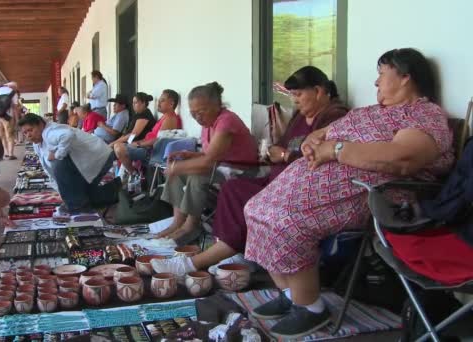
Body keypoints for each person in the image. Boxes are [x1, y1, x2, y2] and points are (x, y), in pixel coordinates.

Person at [242, 49, 454, 338]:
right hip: (322, 185)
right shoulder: (374, 112)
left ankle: (311, 307)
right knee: (254, 209)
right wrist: (313, 142)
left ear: (406, 77)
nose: (376, 83)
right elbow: (323, 134)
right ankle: (291, 294)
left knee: (285, 219)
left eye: (382, 74)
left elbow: (404, 158)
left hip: (373, 195)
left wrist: (336, 150)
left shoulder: (422, 114)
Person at [152, 66, 349, 277]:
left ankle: (195, 261)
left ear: (319, 92)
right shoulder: (300, 117)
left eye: (299, 94)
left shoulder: (334, 118)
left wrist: (284, 156)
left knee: (228, 188)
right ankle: (236, 248)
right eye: (292, 95)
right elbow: (279, 145)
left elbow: (321, 157)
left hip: (294, 185)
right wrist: (275, 152)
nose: (295, 101)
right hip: (277, 177)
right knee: (233, 190)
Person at [156, 82, 258, 244]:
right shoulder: (208, 124)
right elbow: (210, 153)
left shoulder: (226, 121)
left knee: (197, 176)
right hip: (223, 167)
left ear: (217, 105)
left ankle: (191, 226)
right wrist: (188, 154)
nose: (198, 117)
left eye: (201, 112)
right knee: (178, 174)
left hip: (243, 171)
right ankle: (177, 222)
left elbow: (209, 161)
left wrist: (177, 167)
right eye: (193, 113)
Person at [18, 113, 119, 213]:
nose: (29, 136)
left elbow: (67, 135)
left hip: (99, 157)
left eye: (30, 130)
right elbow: (49, 170)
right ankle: (116, 190)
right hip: (89, 161)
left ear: (40, 124)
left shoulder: (49, 132)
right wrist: (64, 193)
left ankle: (77, 206)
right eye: (25, 133)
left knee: (58, 163)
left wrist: (57, 154)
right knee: (84, 197)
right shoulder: (38, 143)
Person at [113, 89, 182, 174]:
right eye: (158, 100)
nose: (158, 103)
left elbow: (158, 141)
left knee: (119, 148)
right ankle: (126, 176)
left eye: (162, 101)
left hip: (151, 152)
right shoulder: (163, 117)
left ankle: (134, 174)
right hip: (145, 146)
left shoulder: (170, 118)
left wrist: (137, 144)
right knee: (117, 148)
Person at [0, 82, 20, 160]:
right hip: (8, 116)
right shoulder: (13, 93)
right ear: (14, 87)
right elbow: (15, 107)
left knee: (1, 134)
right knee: (10, 134)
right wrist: (17, 119)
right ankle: (11, 154)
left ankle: (6, 152)